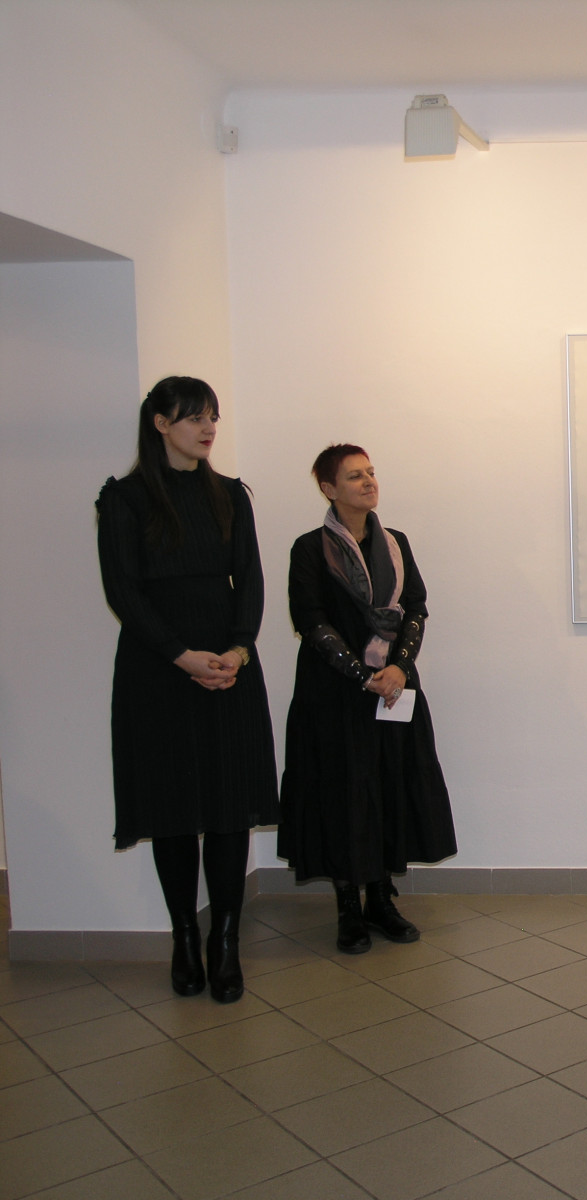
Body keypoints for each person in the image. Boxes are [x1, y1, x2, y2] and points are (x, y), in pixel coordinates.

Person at [96, 377, 278, 1004]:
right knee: (172, 808)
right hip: (157, 668)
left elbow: (250, 580)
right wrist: (180, 656)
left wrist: (237, 650)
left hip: (228, 665)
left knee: (229, 806)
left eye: (213, 417)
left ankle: (225, 942)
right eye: (195, 417)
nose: (208, 428)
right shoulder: (124, 499)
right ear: (159, 423)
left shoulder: (230, 495)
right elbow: (124, 591)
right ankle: (183, 936)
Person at [277, 444, 456, 953]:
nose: (368, 481)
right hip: (332, 692)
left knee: (389, 786)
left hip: (394, 687)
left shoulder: (396, 544)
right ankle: (347, 908)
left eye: (371, 472)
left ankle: (381, 900)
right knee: (340, 792)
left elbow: (416, 607)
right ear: (328, 489)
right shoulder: (309, 549)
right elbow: (310, 620)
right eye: (355, 476)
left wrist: (398, 667)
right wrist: (362, 674)